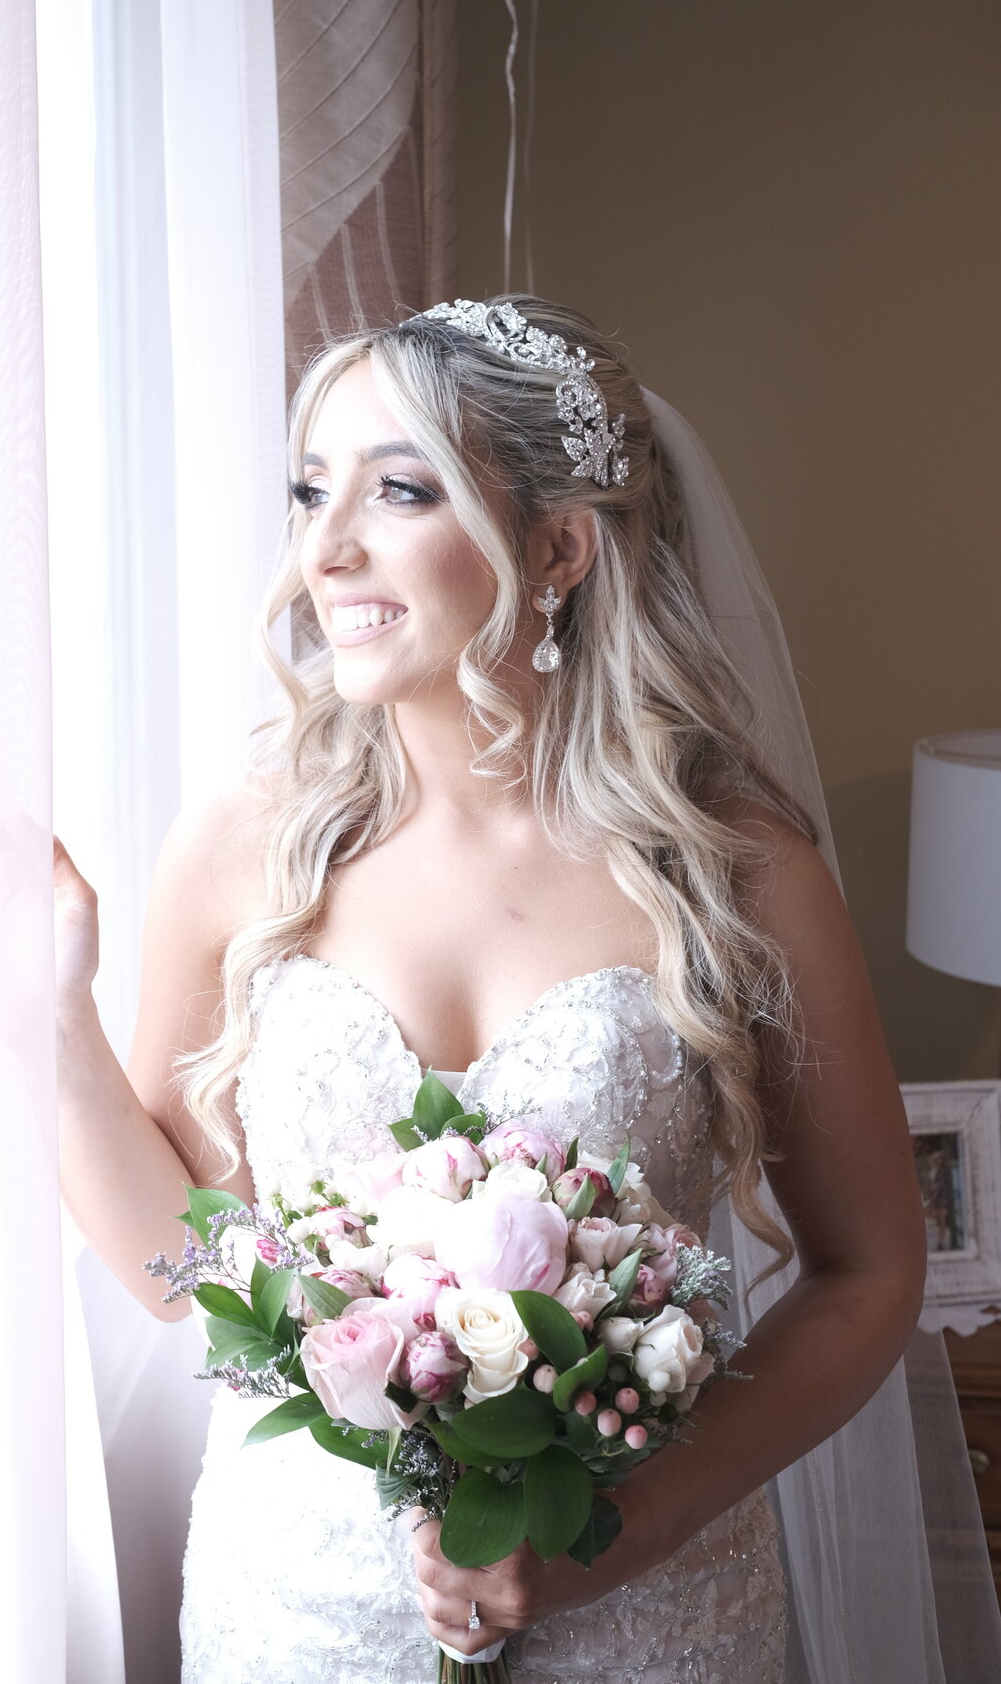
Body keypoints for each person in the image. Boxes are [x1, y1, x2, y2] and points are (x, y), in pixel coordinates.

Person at [53, 295, 981, 1681]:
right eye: (313, 490)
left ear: (556, 547)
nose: (328, 546)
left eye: (400, 489)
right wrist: (50, 1013)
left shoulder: (733, 865)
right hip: (305, 1607)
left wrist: (626, 1523)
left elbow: (866, 1270)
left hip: (652, 1610)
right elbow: (183, 1273)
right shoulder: (250, 839)